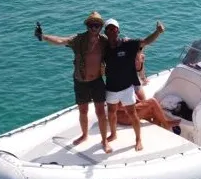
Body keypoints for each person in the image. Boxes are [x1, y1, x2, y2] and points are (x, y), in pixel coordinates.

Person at [35, 12, 112, 152]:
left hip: (97, 81)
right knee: (83, 111)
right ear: (87, 26)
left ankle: (104, 140)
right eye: (91, 25)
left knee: (101, 112)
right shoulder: (78, 39)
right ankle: (84, 135)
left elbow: (118, 46)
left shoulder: (104, 41)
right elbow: (60, 41)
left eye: (97, 25)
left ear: (101, 26)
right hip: (80, 81)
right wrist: (43, 36)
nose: (94, 28)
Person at [103, 18, 166, 151]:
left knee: (132, 114)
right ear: (106, 32)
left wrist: (157, 32)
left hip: (126, 88)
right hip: (111, 88)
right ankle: (113, 134)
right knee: (111, 113)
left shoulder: (128, 44)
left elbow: (145, 41)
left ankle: (138, 139)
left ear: (118, 31)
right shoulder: (104, 47)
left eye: (114, 28)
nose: (111, 31)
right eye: (108, 29)